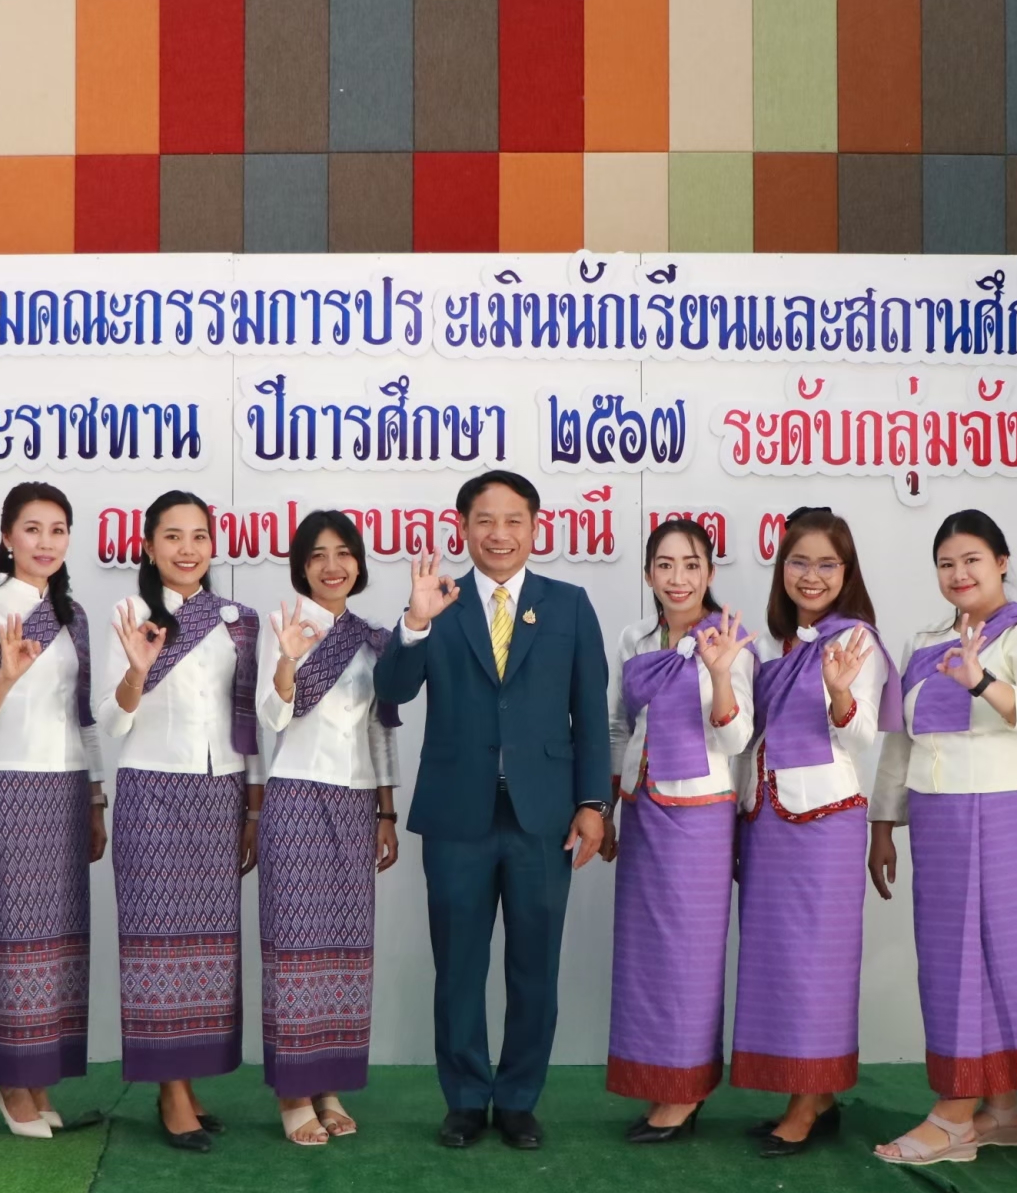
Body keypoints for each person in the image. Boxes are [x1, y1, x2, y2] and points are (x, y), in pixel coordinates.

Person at [373, 469, 611, 1151]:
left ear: (535, 527)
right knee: (459, 966)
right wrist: (415, 622)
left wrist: (593, 803)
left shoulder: (568, 605)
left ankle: (517, 1100)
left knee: (536, 967)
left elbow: (590, 710)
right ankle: (465, 1098)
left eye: (513, 520)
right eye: (485, 520)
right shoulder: (438, 602)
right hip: (458, 815)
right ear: (463, 528)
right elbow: (392, 691)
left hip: (545, 816)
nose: (499, 533)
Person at [868, 509, 1017, 1165]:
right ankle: (1002, 1109)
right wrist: (883, 823)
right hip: (940, 818)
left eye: (972, 560)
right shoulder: (925, 641)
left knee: (991, 958)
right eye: (946, 563)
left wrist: (983, 681)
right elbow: (901, 739)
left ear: (1002, 562)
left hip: (1007, 813)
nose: (959, 573)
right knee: (951, 957)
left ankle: (955, 1115)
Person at [98, 491, 263, 1153]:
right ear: (148, 546)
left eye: (198, 536)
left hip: (221, 792)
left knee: (209, 946)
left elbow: (249, 722)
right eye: (172, 536)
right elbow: (111, 722)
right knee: (157, 942)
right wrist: (137, 673)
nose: (187, 549)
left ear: (213, 545)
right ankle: (169, 1091)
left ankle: (188, 1082)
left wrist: (253, 806)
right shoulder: (130, 615)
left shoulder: (238, 622)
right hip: (153, 790)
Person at [733, 507, 896, 1157]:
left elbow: (861, 735)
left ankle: (804, 1105)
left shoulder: (854, 640)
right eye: (799, 561)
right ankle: (816, 1096)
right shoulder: (780, 643)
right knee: (778, 959)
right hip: (768, 818)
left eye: (828, 564)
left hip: (823, 822)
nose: (811, 575)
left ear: (847, 572)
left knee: (815, 963)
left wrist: (841, 693)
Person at [0, 481, 107, 1140]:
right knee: (17, 937)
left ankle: (41, 1075)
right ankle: (11, 1082)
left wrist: (96, 797)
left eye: (58, 529)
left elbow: (85, 716)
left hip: (68, 786)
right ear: (7, 537)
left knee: (61, 940)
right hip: (10, 785)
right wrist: (6, 676)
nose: (46, 542)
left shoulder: (74, 616)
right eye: (32, 528)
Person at [601, 519, 754, 1142]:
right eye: (664, 565)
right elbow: (619, 725)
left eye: (691, 565)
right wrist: (607, 806)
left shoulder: (732, 639)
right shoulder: (634, 638)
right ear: (648, 574)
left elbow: (737, 738)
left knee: (692, 955)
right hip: (643, 806)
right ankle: (658, 1081)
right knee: (645, 956)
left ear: (710, 572)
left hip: (701, 813)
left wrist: (718, 673)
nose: (678, 578)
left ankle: (686, 1093)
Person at [255, 511, 402, 1145]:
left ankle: (329, 1083)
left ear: (359, 563)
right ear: (302, 566)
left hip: (355, 801)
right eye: (317, 554)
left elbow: (381, 731)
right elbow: (272, 714)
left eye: (343, 553)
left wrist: (386, 812)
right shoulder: (283, 626)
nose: (332, 565)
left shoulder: (373, 639)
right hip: (296, 797)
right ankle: (294, 1093)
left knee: (344, 950)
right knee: (295, 949)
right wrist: (288, 661)